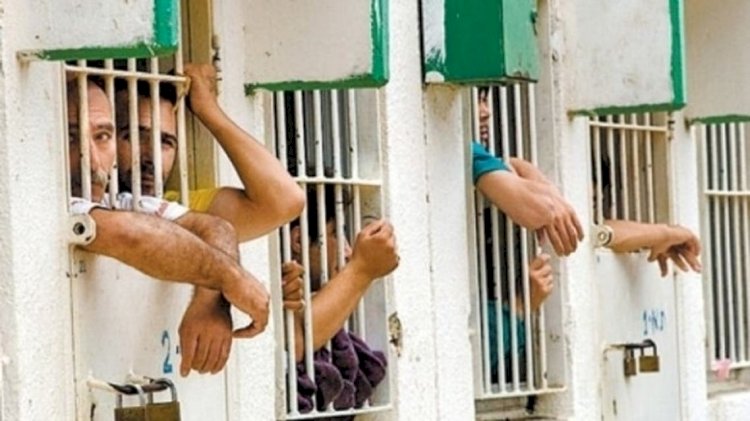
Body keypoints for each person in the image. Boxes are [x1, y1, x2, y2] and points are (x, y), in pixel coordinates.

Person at [113, 64, 306, 376]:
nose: (151, 156)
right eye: (133, 136)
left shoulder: (177, 205)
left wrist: (208, 110)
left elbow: (285, 200)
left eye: (166, 142)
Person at [67, 77, 271, 348]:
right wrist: (229, 278)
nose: (92, 161)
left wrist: (210, 300)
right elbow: (132, 235)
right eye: (71, 138)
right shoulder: (57, 201)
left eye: (102, 136)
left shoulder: (118, 201)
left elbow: (217, 227)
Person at [282, 186, 397, 413]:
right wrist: (362, 269)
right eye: (336, 233)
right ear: (298, 240)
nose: (347, 251)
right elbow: (302, 339)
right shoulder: (280, 284)